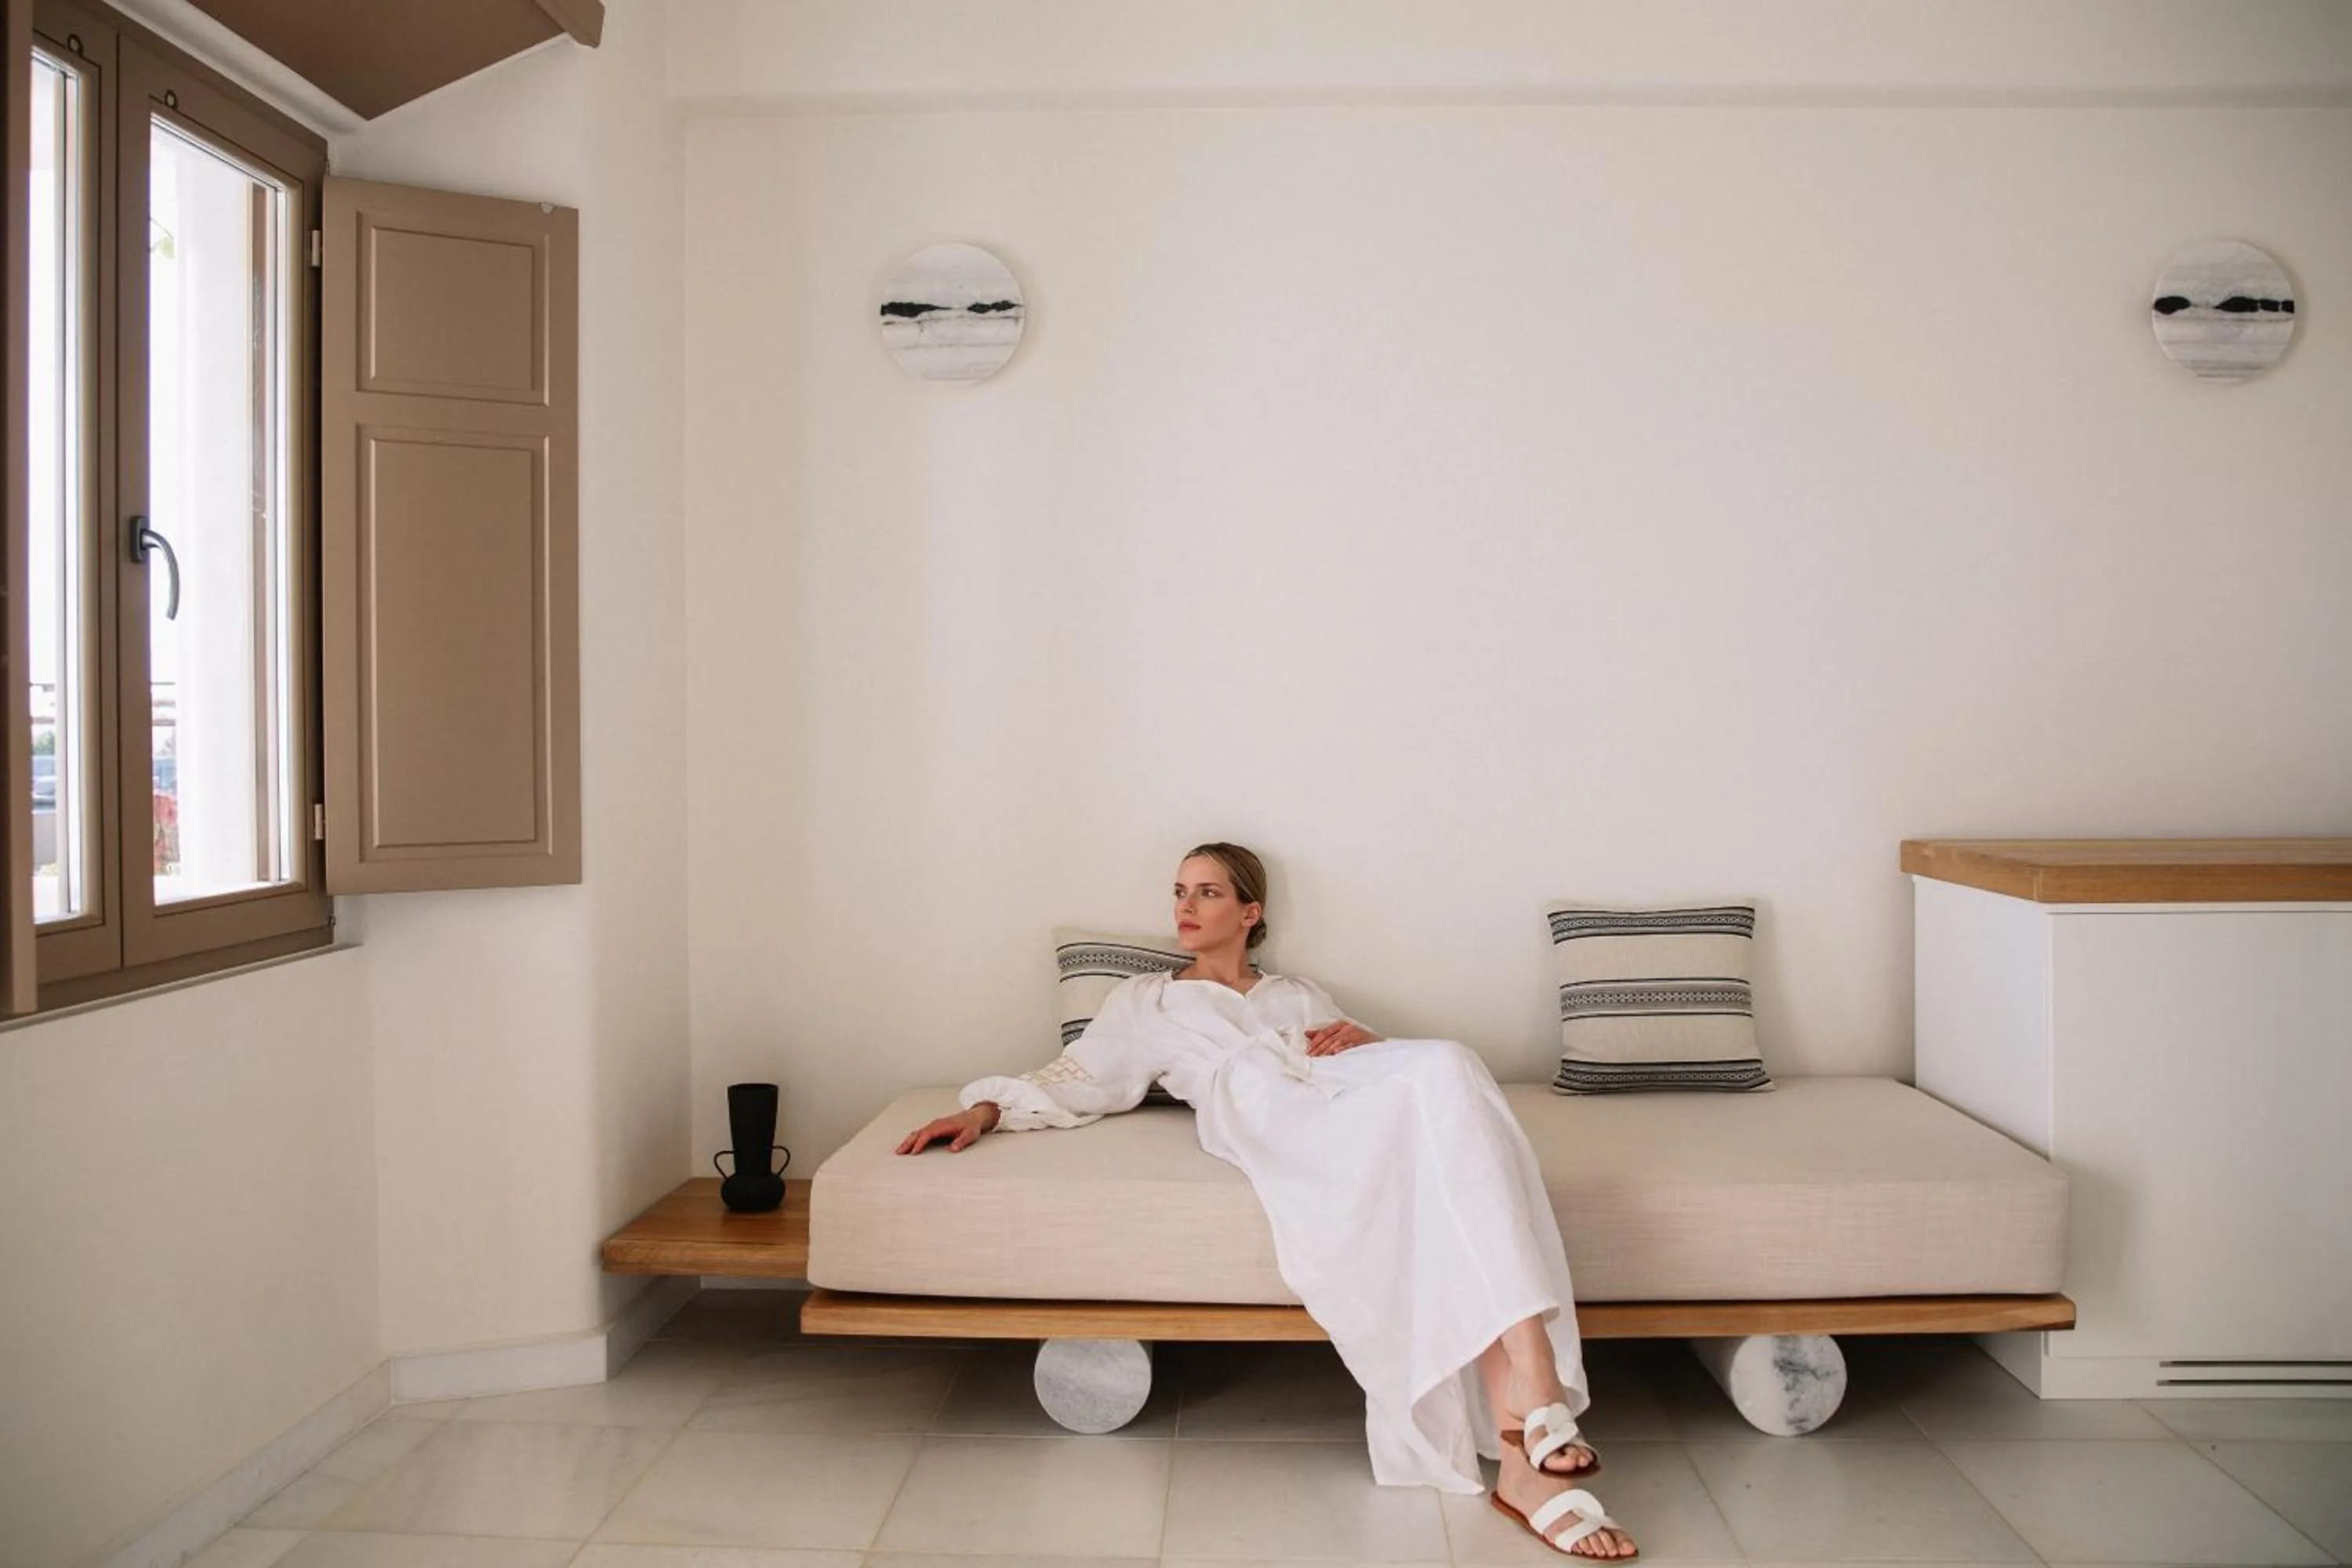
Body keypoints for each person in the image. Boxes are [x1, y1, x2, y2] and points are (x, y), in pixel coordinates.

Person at [896, 842, 1639, 1560]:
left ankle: (1525, 1427)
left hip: (1344, 1094)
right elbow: (1076, 1073)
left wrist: (1364, 1039)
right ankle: (1535, 1412)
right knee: (1445, 1107)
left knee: (1450, 1073)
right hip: (1270, 1114)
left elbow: (1372, 1066)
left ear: (1251, 912)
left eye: (1208, 892)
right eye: (1180, 892)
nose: (1186, 906)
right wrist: (984, 1111)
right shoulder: (1148, 1000)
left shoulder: (1295, 992)